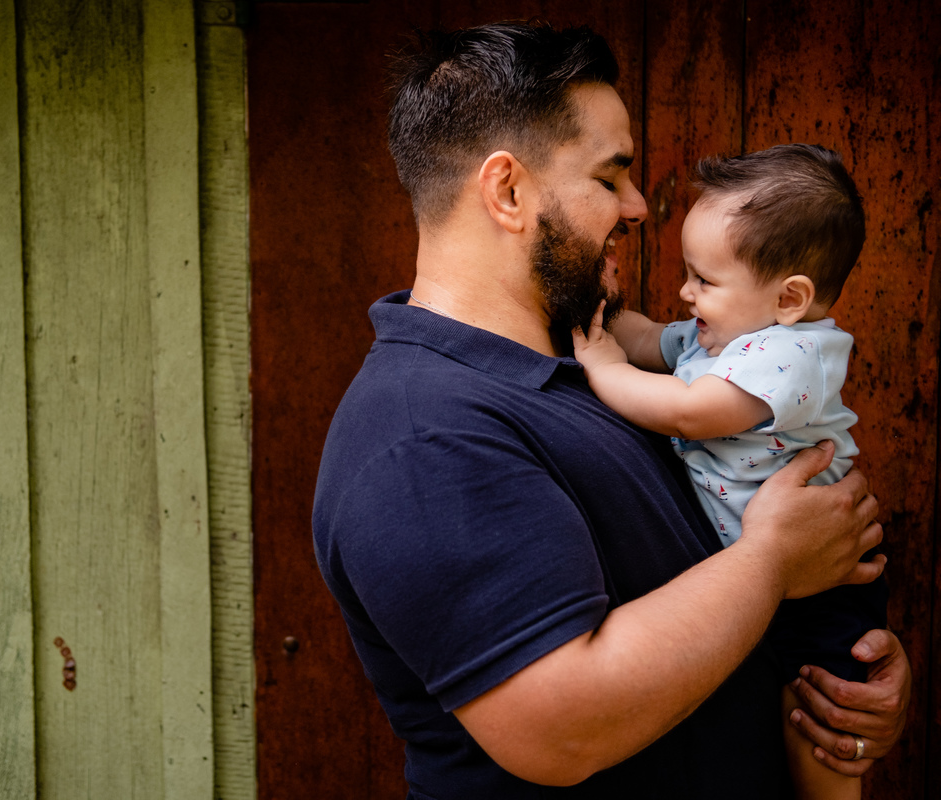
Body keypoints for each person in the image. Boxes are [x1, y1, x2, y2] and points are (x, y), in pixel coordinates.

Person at [311, 21, 910, 799]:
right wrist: (770, 564)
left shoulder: (582, 369)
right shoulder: (423, 433)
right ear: (508, 191)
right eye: (609, 177)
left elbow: (694, 594)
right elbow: (560, 730)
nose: (637, 207)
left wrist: (837, 691)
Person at [571, 144, 887, 800]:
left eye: (704, 281)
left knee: (821, 722)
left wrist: (603, 368)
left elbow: (690, 412)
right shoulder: (719, 336)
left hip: (822, 584)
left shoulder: (792, 354)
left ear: (790, 297)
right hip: (767, 576)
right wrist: (595, 310)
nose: (685, 293)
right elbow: (645, 336)